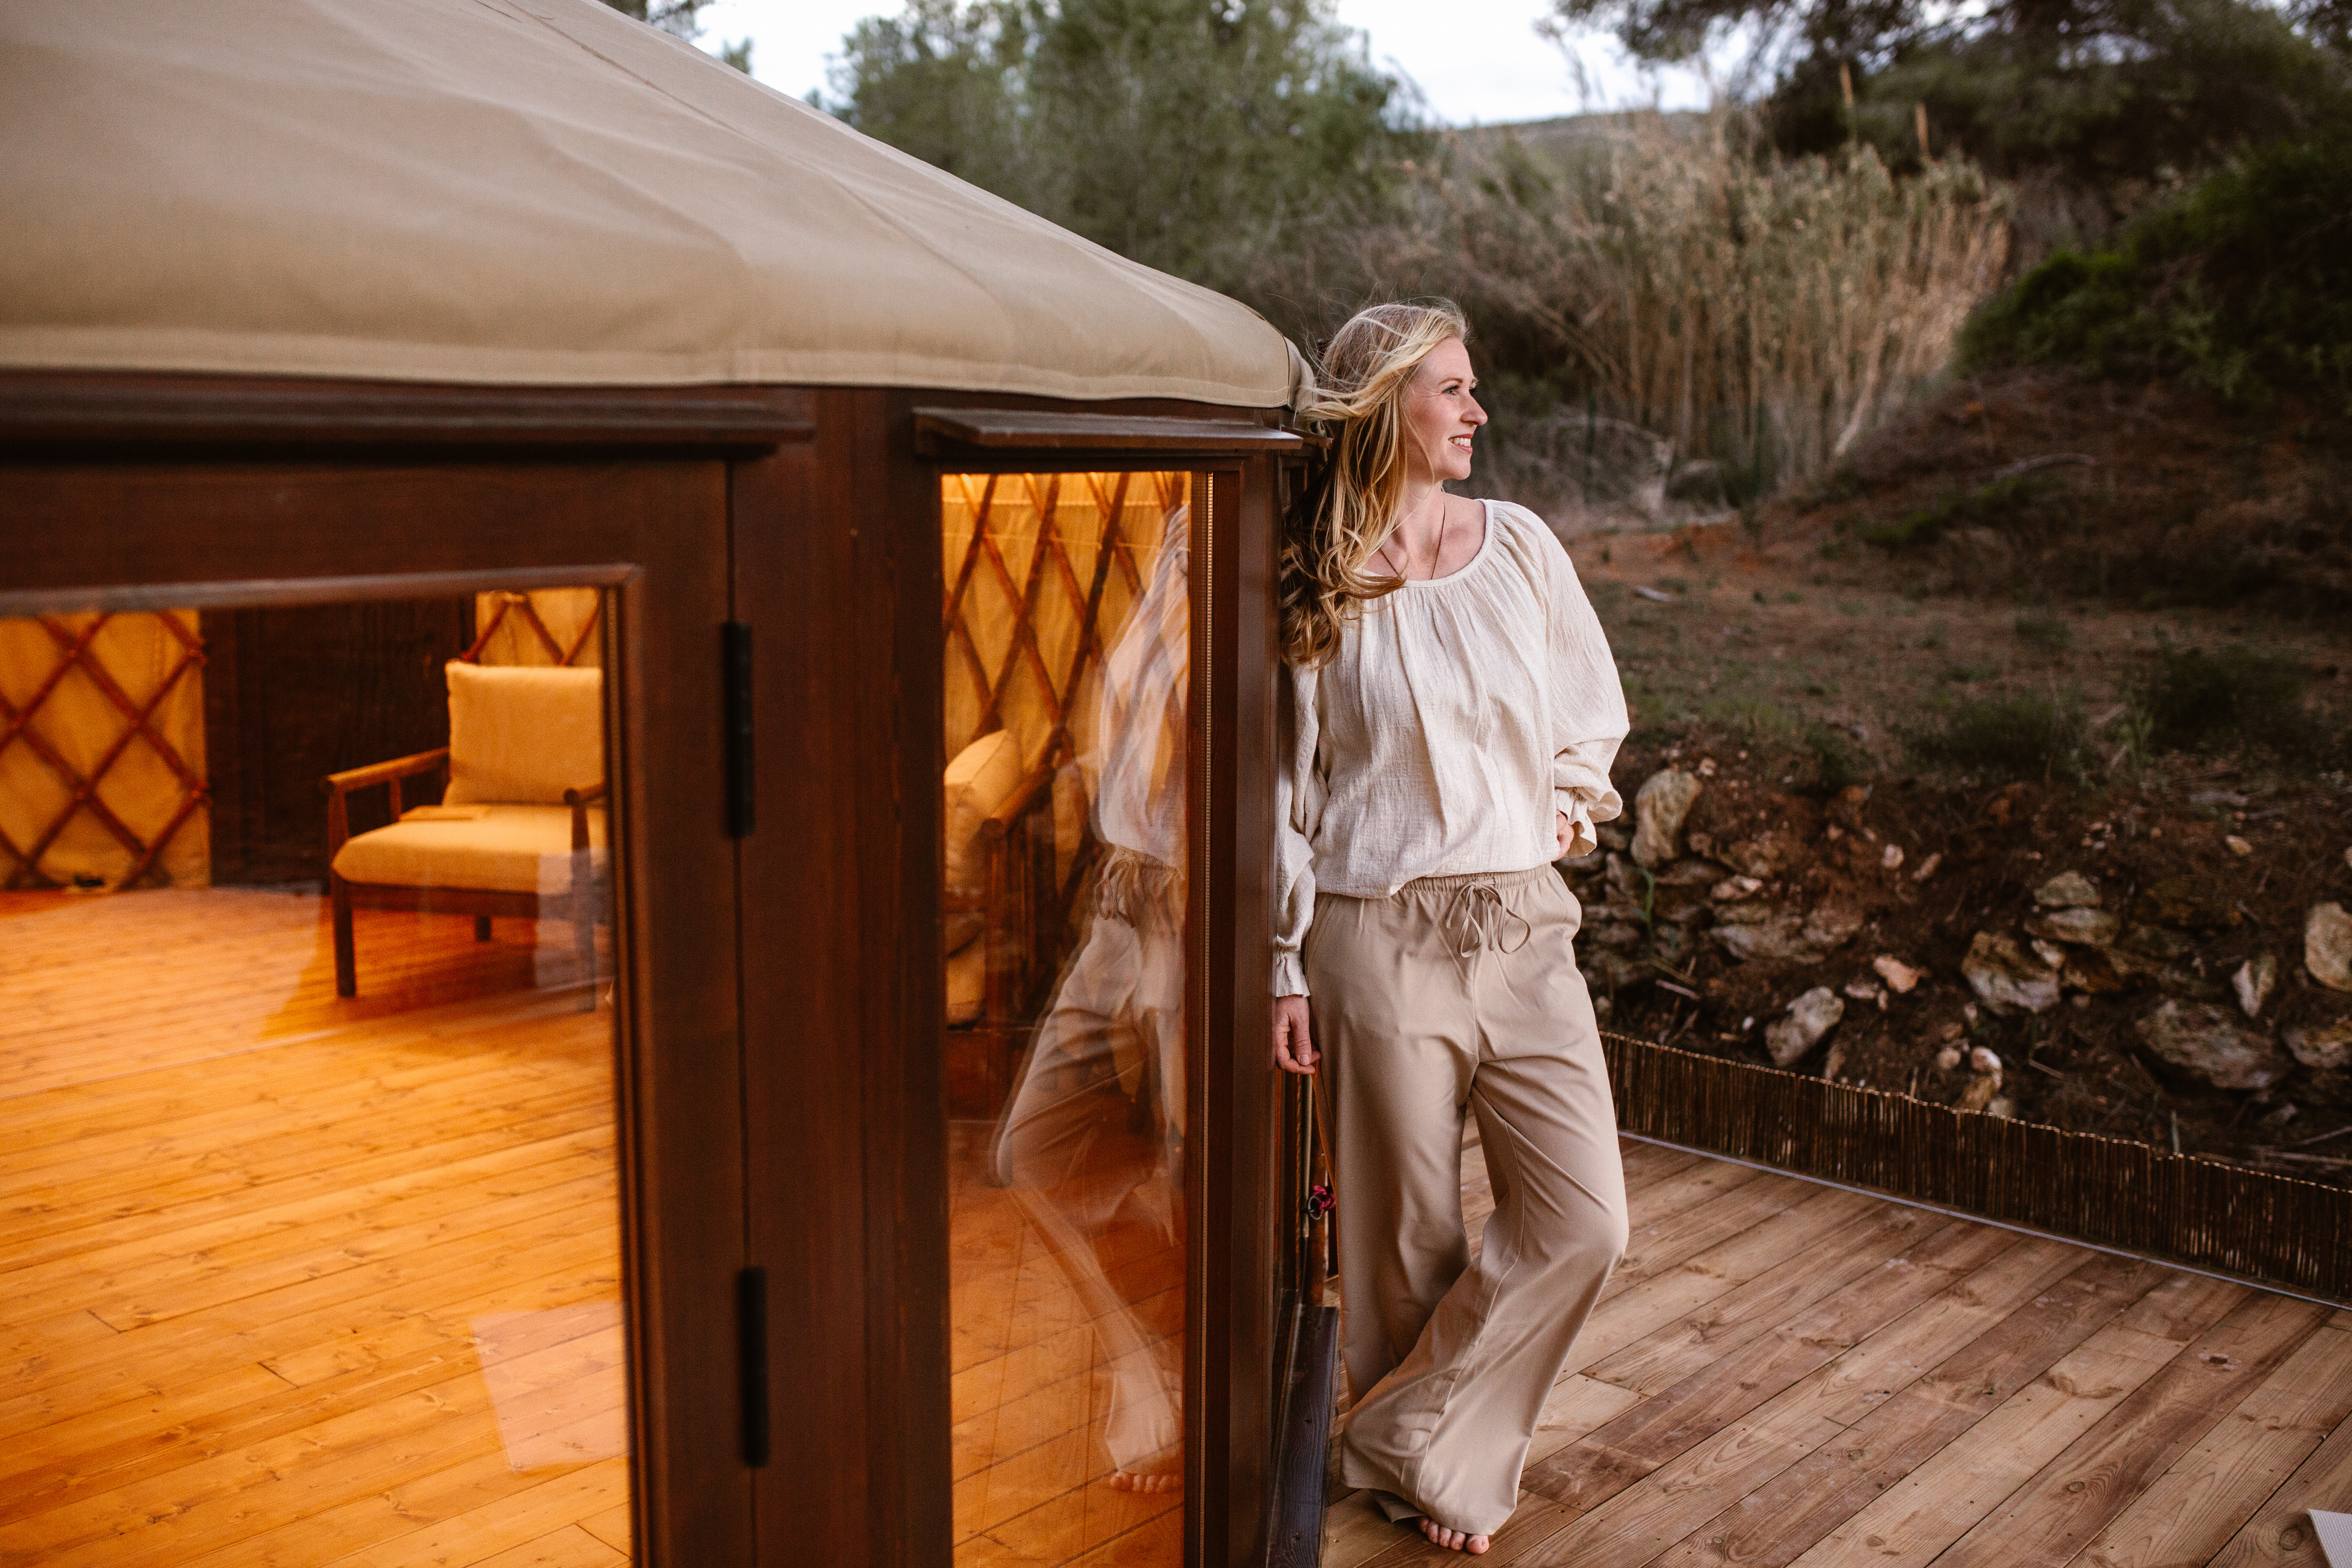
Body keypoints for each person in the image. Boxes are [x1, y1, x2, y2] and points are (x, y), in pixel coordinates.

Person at [1271, 301, 1631, 1555]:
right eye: (1452, 390)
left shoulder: (1522, 547)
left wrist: (1569, 810)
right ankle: (1443, 1474)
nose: (1477, 411)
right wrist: (1281, 963)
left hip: (1523, 925)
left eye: (1475, 389)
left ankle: (1387, 1436)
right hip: (1373, 933)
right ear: (1386, 409)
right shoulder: (1315, 570)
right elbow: (1284, 786)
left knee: (1586, 1220)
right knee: (1402, 1235)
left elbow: (1591, 708)